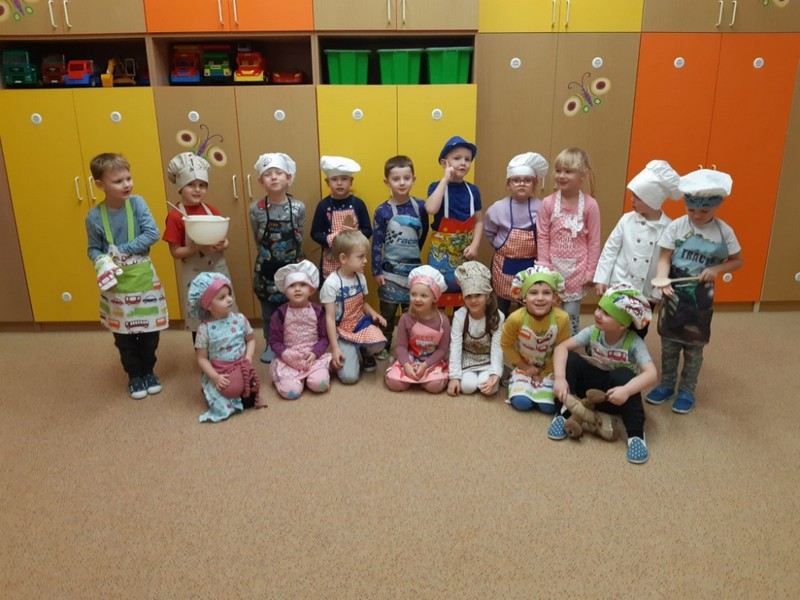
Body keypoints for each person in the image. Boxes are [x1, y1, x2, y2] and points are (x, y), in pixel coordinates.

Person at [646, 169, 743, 414]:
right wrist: (662, 279)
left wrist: (717, 269)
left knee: (694, 346)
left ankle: (687, 390)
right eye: (691, 210)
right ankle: (666, 384)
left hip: (701, 298)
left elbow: (737, 261)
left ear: (717, 206)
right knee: (669, 343)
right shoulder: (676, 227)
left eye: (704, 211)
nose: (697, 215)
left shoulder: (724, 232)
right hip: (674, 292)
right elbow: (664, 257)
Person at [86, 152, 169, 400]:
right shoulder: (94, 217)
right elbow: (93, 249)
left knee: (150, 334)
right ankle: (134, 375)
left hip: (144, 281)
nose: (126, 184)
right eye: (118, 181)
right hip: (117, 287)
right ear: (100, 185)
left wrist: (121, 250)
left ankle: (149, 371)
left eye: (128, 178)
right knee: (124, 337)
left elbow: (152, 233)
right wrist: (101, 260)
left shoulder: (137, 204)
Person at [549, 284, 658, 464]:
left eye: (607, 313)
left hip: (614, 397)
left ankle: (636, 436)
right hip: (588, 392)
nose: (598, 314)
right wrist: (560, 378)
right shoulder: (593, 331)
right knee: (572, 359)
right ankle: (564, 412)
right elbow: (561, 348)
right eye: (599, 308)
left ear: (622, 325)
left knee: (625, 375)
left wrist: (626, 390)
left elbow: (651, 374)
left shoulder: (634, 342)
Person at [593, 160, 681, 338]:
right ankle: (602, 348)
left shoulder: (669, 227)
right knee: (609, 321)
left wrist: (657, 292)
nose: (632, 200)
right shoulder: (626, 219)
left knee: (638, 328)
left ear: (653, 199)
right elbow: (610, 249)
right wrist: (602, 278)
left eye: (638, 197)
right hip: (619, 283)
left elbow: (668, 262)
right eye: (632, 195)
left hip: (646, 291)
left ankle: (633, 352)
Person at [162, 152, 233, 340]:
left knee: (223, 312)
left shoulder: (212, 210)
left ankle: (226, 349)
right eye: (191, 185)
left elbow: (225, 241)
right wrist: (198, 247)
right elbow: (176, 252)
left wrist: (223, 245)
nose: (197, 190)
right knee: (199, 317)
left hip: (217, 270)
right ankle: (202, 352)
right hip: (194, 275)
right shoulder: (175, 216)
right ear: (180, 187)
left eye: (202, 185)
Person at [537, 147, 601, 335]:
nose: (561, 176)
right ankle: (548, 344)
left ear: (583, 175)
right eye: (558, 171)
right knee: (550, 311)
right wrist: (544, 265)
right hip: (552, 268)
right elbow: (542, 236)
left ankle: (569, 345)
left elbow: (594, 241)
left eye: (568, 171)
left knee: (571, 314)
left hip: (577, 271)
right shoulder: (548, 203)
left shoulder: (590, 205)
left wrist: (591, 270)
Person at [249, 152, 305, 364]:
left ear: (288, 177)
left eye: (278, 173)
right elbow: (257, 238)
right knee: (268, 311)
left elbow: (299, 236)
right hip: (266, 269)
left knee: (292, 309)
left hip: (292, 267)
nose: (273, 177)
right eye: (268, 174)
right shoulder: (255, 209)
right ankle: (270, 343)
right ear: (260, 181)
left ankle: (291, 342)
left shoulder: (299, 207)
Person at [372, 154, 428, 360]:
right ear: (387, 181)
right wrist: (376, 271)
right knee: (387, 311)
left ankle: (411, 346)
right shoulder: (382, 211)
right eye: (396, 179)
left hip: (413, 272)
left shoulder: (420, 206)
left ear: (414, 179)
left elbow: (423, 233)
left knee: (412, 313)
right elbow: (376, 242)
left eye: (406, 178)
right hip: (389, 273)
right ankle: (384, 343)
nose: (402, 183)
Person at [189, 272, 264, 423]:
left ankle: (238, 391)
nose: (229, 299)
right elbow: (202, 359)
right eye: (222, 297)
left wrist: (248, 357)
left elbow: (250, 340)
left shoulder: (240, 319)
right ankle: (211, 390)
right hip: (220, 372)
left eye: (229, 294)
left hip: (242, 367)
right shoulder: (204, 329)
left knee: (249, 400)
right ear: (208, 305)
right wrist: (215, 377)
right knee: (224, 397)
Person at [484, 152, 549, 316]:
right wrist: (499, 244)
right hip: (504, 265)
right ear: (509, 184)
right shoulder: (498, 208)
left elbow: (545, 233)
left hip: (530, 264)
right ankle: (500, 329)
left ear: (534, 184)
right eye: (516, 180)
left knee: (527, 305)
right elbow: (489, 231)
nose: (522, 184)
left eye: (527, 180)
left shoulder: (541, 207)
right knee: (501, 307)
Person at [501, 266, 571, 413]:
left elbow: (562, 348)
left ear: (554, 296)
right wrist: (525, 367)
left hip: (550, 368)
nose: (540, 298)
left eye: (546, 293)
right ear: (524, 297)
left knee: (549, 406)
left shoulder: (562, 318)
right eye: (533, 293)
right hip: (523, 366)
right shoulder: (515, 319)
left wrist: (546, 373)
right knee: (521, 403)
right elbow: (505, 344)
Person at [320, 230, 387, 384]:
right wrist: (335, 348)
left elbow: (362, 303)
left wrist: (374, 314)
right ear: (343, 258)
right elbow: (330, 318)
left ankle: (364, 350)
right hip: (342, 330)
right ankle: (350, 348)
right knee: (349, 378)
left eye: (366, 256)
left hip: (359, 323)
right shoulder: (331, 284)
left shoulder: (360, 277)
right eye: (360, 257)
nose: (365, 261)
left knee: (380, 342)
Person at [425, 136, 483, 308]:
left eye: (467, 159)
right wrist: (445, 180)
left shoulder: (473, 190)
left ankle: (460, 323)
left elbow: (479, 221)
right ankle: (439, 323)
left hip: (465, 252)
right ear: (445, 163)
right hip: (441, 254)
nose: (463, 162)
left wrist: (475, 245)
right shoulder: (436, 186)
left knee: (463, 294)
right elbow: (431, 209)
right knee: (438, 293)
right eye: (457, 158)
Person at [270, 260, 332, 400]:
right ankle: (289, 380)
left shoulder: (318, 311)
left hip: (312, 357)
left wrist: (315, 352)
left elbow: (324, 337)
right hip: (289, 359)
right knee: (291, 392)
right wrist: (286, 353)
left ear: (311, 289)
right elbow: (274, 341)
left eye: (303, 285)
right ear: (285, 291)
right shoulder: (279, 314)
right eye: (292, 285)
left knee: (320, 384)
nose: (297, 289)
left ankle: (310, 377)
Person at [385, 265, 451, 393]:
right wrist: (406, 365)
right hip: (411, 358)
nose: (417, 299)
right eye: (413, 294)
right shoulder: (405, 318)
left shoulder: (443, 321)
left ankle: (425, 378)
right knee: (394, 383)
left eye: (424, 295)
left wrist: (425, 365)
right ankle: (397, 366)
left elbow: (443, 350)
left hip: (432, 361)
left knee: (435, 386)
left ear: (434, 298)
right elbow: (401, 347)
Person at [447, 262, 504, 397]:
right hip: (467, 358)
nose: (473, 300)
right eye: (468, 296)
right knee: (467, 387)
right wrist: (454, 377)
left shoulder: (497, 316)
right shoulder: (460, 316)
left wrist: (495, 373)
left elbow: (497, 347)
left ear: (487, 295)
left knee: (488, 387)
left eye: (478, 295)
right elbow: (455, 345)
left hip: (488, 359)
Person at [311, 155, 372, 282]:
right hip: (330, 259)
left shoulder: (358, 204)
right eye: (334, 179)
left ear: (351, 181)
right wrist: (330, 239)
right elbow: (315, 233)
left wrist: (355, 235)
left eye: (344, 179)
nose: (339, 183)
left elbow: (368, 230)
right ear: (327, 182)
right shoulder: (323, 206)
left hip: (353, 258)